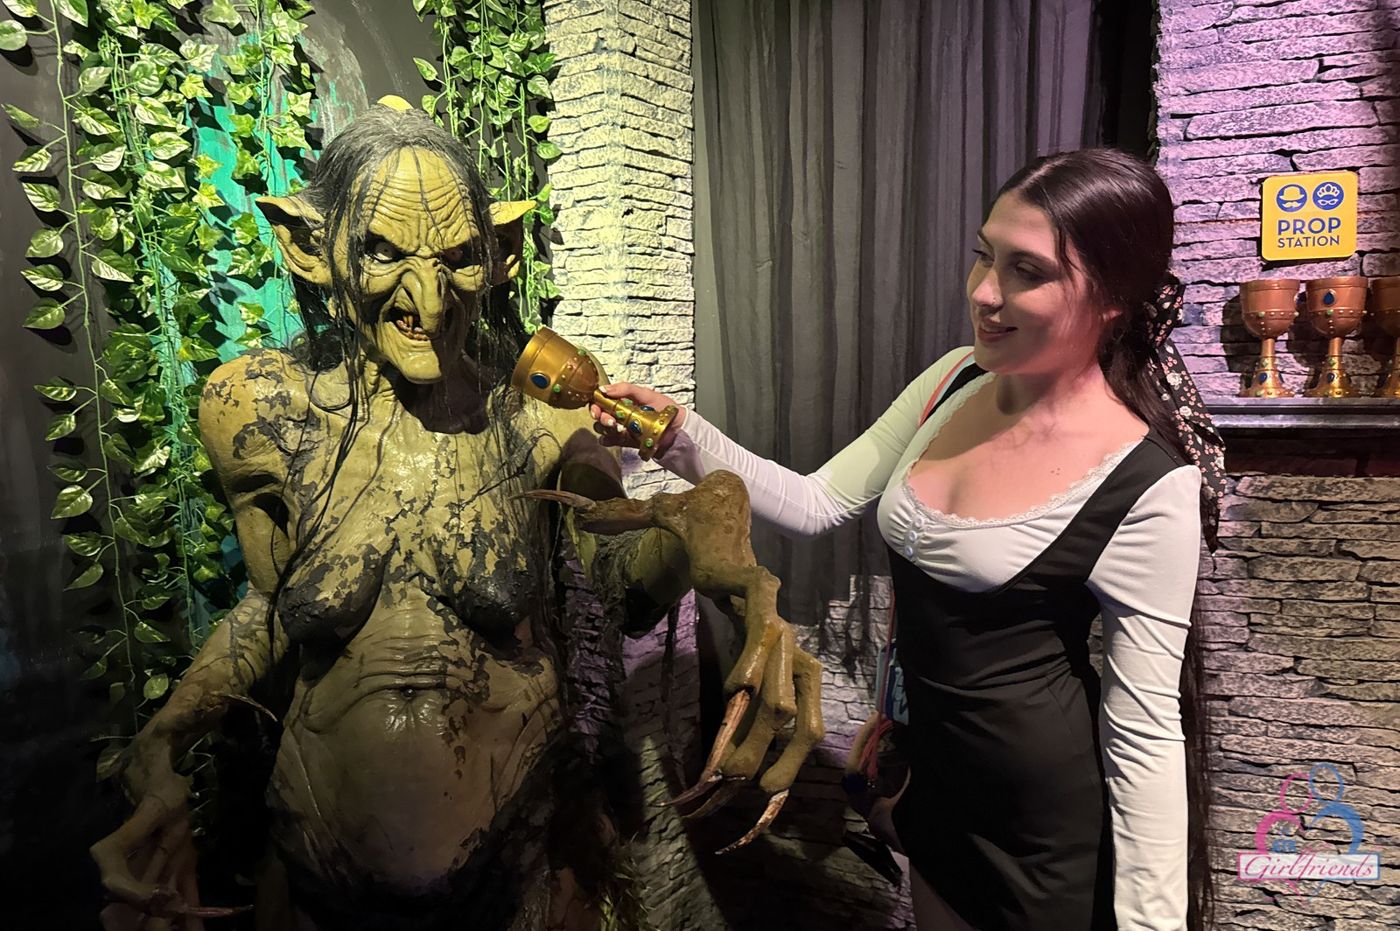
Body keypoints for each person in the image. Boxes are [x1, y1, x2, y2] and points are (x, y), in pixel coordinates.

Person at [590, 148, 1225, 931]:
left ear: (1114, 299)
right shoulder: (954, 380)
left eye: (1027, 271)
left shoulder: (1147, 480)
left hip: (1043, 835)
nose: (984, 292)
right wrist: (676, 433)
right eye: (984, 256)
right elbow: (817, 500)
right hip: (936, 792)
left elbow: (1144, 733)